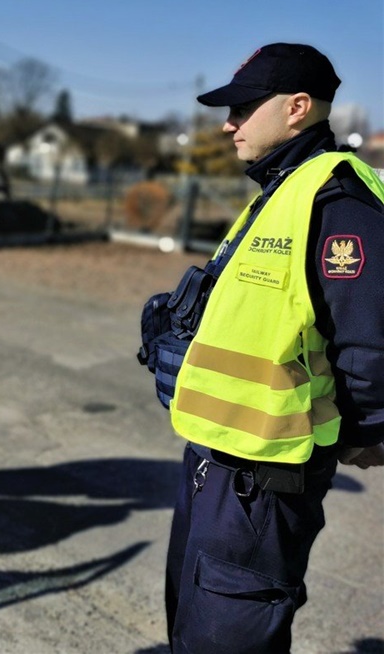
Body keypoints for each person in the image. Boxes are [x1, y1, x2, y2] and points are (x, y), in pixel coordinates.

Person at [138, 43, 384, 654]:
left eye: (243, 108)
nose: (228, 124)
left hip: (263, 484)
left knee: (228, 640)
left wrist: (366, 429)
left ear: (298, 108)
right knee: (193, 631)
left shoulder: (338, 201)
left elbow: (369, 342)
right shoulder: (278, 191)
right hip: (214, 461)